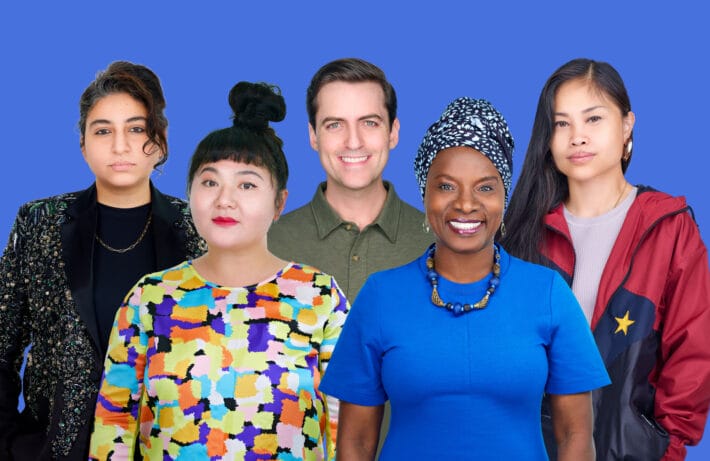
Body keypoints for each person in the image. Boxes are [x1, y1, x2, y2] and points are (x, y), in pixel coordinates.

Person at [319, 97, 610, 460]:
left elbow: (576, 436)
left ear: (504, 198)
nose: (466, 204)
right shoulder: (381, 296)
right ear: (425, 196)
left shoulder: (548, 293)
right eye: (446, 186)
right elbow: (356, 443)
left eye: (485, 187)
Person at [89, 81, 348, 461]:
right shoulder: (150, 299)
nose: (224, 199)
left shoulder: (319, 297)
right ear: (190, 193)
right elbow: (113, 429)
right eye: (209, 182)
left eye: (247, 184)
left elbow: (347, 430)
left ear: (279, 203)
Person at [502, 58, 710, 460]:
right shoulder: (523, 233)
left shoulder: (667, 227)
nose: (577, 137)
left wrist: (667, 449)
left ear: (627, 125)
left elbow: (692, 358)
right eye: (562, 124)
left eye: (593, 119)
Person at [0, 61, 205, 460]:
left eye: (136, 128)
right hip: (57, 446)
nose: (120, 145)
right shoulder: (40, 222)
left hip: (169, 447)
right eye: (103, 130)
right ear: (83, 143)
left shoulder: (196, 227)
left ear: (159, 142)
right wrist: (10, 443)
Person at [268, 57, 432, 303]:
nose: (353, 142)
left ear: (393, 133)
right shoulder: (269, 243)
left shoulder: (437, 243)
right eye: (335, 125)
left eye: (369, 123)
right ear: (313, 136)